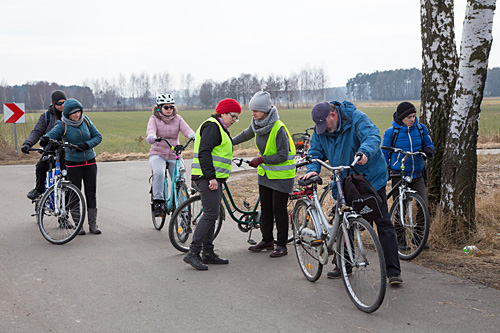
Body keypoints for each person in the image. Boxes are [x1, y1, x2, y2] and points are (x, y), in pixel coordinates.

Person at [301, 101, 403, 286]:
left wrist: (364, 152)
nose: (323, 130)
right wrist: (313, 168)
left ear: (333, 115)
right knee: (343, 221)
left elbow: (372, 136)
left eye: (325, 125)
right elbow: (315, 151)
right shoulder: (321, 130)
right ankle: (344, 265)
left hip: (370, 178)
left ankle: (393, 271)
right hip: (343, 180)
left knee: (383, 222)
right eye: (320, 127)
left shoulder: (357, 119)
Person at [232, 91, 296, 257]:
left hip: (282, 177)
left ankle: (281, 245)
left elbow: (282, 155)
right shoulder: (257, 124)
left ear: (266, 111)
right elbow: (246, 134)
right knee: (266, 209)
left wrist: (261, 159)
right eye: (252, 110)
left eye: (256, 111)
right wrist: (228, 142)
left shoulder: (278, 128)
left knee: (279, 210)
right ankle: (267, 239)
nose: (252, 114)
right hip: (266, 175)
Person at [183, 98, 241, 270]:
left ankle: (208, 253)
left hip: (212, 177)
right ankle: (193, 253)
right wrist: (211, 178)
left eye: (237, 118)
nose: (234, 121)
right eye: (233, 116)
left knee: (212, 214)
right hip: (207, 177)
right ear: (223, 113)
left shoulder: (219, 126)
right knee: (210, 214)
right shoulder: (212, 126)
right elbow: (204, 153)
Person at [40, 98, 102, 235]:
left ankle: (93, 225)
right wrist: (45, 138)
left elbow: (98, 137)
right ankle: (78, 225)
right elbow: (52, 134)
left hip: (90, 162)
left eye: (79, 111)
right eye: (73, 113)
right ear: (67, 113)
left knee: (91, 194)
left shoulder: (86, 121)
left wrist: (86, 145)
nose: (77, 115)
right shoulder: (62, 125)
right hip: (73, 163)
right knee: (74, 193)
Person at [382, 101, 434, 248]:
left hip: (417, 174)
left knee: (423, 205)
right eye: (409, 117)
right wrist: (384, 171)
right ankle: (400, 240)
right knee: (400, 208)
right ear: (401, 118)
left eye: (414, 115)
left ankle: (419, 238)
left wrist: (429, 150)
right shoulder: (392, 133)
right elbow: (384, 154)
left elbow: (429, 144)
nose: (412, 119)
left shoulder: (421, 129)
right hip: (399, 175)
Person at [146, 94, 195, 217]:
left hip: (174, 153)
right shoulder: (154, 119)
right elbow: (151, 130)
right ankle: (158, 202)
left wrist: (192, 135)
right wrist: (152, 137)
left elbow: (187, 130)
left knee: (181, 176)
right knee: (159, 173)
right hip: (158, 153)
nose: (169, 110)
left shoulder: (178, 118)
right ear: (159, 108)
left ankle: (182, 205)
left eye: (171, 107)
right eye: (166, 107)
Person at [22, 90, 67, 199]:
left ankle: (70, 200)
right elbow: (37, 132)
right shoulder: (46, 117)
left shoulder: (71, 115)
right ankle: (39, 190)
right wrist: (28, 143)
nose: (62, 106)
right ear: (53, 104)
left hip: (66, 150)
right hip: (50, 149)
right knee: (41, 168)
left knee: (69, 174)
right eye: (59, 103)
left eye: (64, 102)